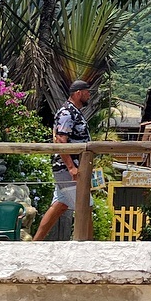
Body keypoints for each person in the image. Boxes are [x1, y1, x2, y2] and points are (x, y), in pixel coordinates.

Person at [32, 80, 93, 241]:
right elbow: (60, 140)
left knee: (60, 205)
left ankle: (34, 244)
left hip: (71, 168)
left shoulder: (75, 112)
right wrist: (71, 167)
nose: (89, 95)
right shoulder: (67, 113)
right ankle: (90, 247)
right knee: (85, 205)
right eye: (87, 92)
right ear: (78, 93)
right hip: (67, 169)